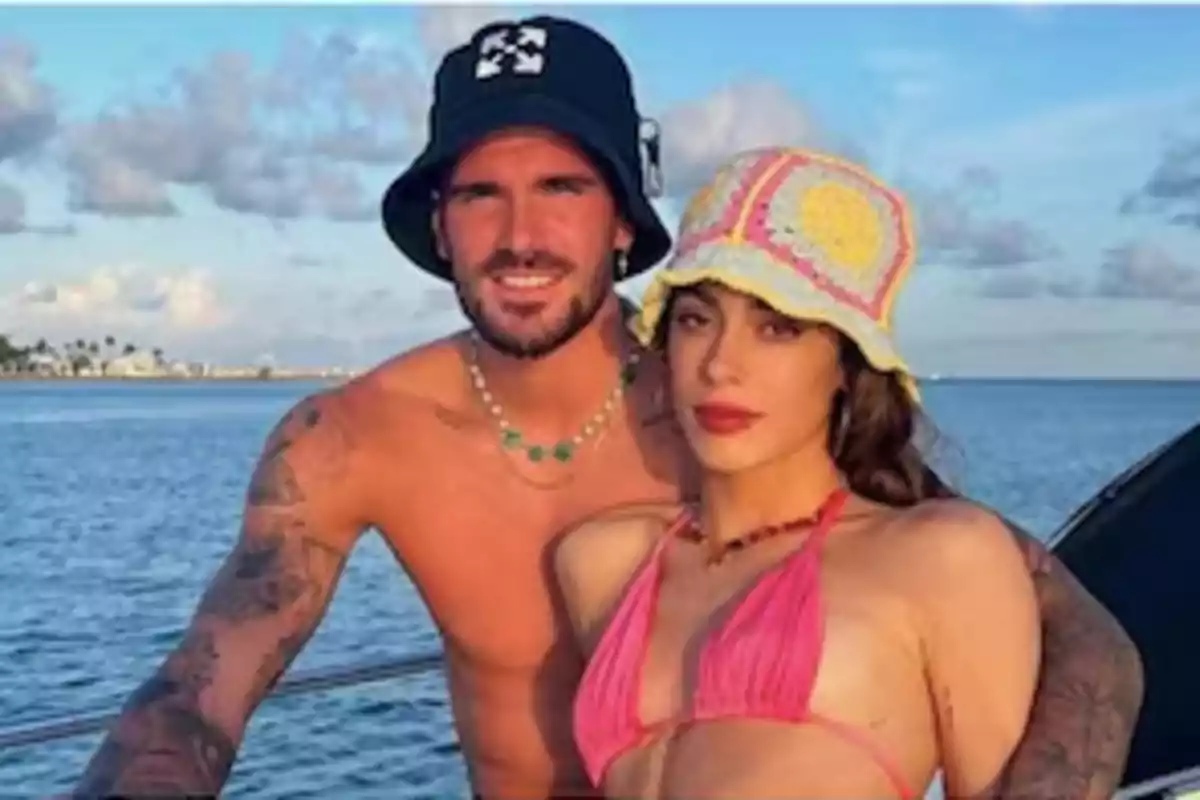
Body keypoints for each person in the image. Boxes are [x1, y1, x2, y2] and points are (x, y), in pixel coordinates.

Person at [72, 14, 1142, 800]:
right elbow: (200, 688)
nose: (520, 234)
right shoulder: (349, 439)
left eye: (563, 189)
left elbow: (1082, 643)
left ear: (626, 221)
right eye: (480, 193)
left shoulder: (738, 409)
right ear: (439, 226)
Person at [558, 147, 1040, 799]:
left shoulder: (943, 558)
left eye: (778, 328)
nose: (721, 365)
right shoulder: (601, 561)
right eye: (698, 320)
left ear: (846, 365)